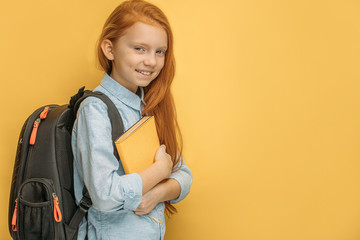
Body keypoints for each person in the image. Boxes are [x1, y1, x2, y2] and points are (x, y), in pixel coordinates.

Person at [71, 0, 193, 239]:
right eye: (139, 48)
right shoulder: (95, 109)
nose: (151, 61)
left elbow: (184, 176)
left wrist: (155, 195)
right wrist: (159, 171)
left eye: (160, 51)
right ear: (110, 49)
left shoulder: (151, 105)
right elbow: (105, 196)